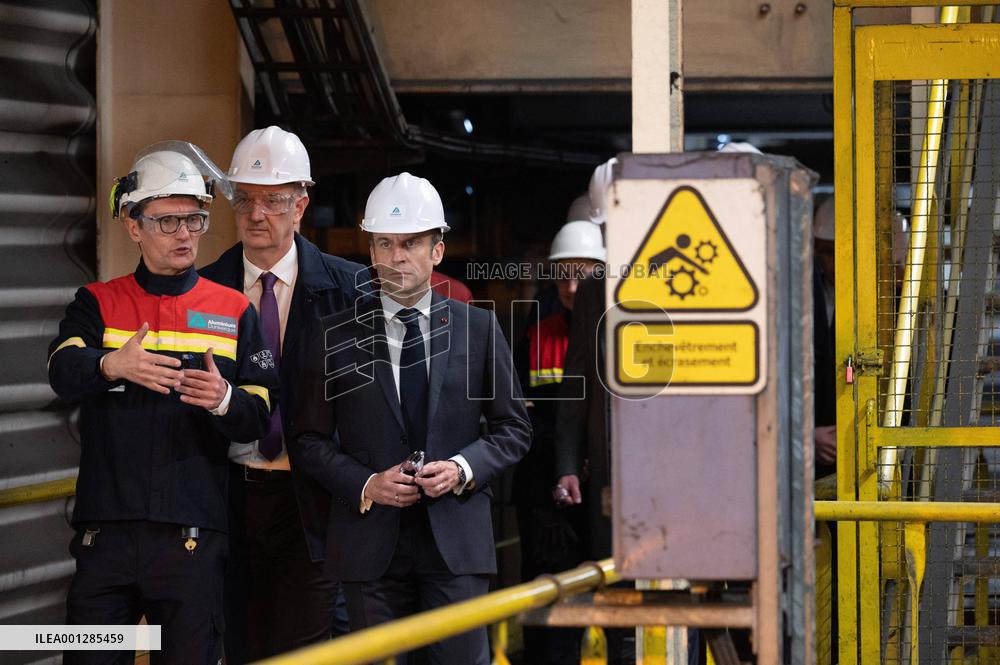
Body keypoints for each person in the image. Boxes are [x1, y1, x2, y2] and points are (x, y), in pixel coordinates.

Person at [48, 142, 277, 665]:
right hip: (104, 539)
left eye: (195, 219)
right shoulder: (97, 302)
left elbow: (260, 412)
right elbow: (59, 369)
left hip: (192, 539)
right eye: (168, 222)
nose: (185, 235)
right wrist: (111, 366)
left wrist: (223, 400)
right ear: (134, 226)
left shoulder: (234, 310)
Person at [292, 172, 531, 665]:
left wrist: (463, 467)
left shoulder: (478, 327)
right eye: (384, 244)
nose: (396, 257)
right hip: (370, 546)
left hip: (457, 545)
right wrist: (366, 483)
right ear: (371, 251)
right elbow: (308, 439)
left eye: (410, 243)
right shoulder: (335, 332)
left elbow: (514, 428)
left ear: (436, 250)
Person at [198, 126, 368, 663]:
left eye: (273, 200)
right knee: (236, 644)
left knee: (303, 651)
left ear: (301, 206)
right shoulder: (203, 291)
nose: (256, 214)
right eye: (244, 199)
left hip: (312, 503)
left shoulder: (352, 290)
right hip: (225, 497)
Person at [513, 220, 605, 665]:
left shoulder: (623, 333)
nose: (571, 286)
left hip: (605, 495)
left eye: (582, 274)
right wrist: (564, 462)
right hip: (550, 498)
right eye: (562, 274)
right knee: (551, 616)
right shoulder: (538, 332)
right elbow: (520, 415)